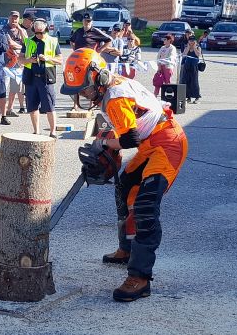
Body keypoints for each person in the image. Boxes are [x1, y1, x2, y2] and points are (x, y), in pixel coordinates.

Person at [60, 48, 188, 302]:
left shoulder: (114, 96)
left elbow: (129, 138)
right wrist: (107, 143)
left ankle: (140, 278)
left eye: (85, 88)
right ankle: (127, 248)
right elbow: (123, 130)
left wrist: (107, 145)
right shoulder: (111, 90)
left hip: (168, 143)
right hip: (150, 142)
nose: (83, 94)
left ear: (98, 77)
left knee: (145, 205)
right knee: (126, 185)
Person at [18, 18, 62, 138]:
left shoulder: (53, 41)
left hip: (46, 78)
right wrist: (28, 60)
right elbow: (20, 58)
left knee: (49, 105)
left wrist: (47, 58)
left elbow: (60, 60)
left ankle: (53, 131)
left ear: (46, 30)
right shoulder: (28, 41)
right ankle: (36, 131)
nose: (39, 35)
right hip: (31, 78)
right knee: (32, 106)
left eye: (41, 32)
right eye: (36, 32)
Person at [69, 13, 112, 110]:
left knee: (91, 82)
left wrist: (99, 51)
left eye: (89, 21)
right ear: (83, 21)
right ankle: (75, 105)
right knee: (77, 82)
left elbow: (109, 40)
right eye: (85, 21)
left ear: (91, 22)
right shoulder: (79, 31)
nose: (87, 22)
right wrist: (75, 50)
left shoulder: (95, 31)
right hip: (79, 61)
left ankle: (91, 105)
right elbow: (71, 40)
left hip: (90, 61)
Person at [0, 10, 27, 116]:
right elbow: (10, 44)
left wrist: (20, 29)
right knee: (4, 86)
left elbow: (28, 43)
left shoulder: (21, 30)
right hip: (7, 62)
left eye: (16, 18)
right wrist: (22, 47)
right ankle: (0, 109)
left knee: (15, 88)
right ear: (9, 17)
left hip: (18, 63)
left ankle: (10, 109)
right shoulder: (3, 30)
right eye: (12, 17)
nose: (14, 19)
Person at [180, 36, 202, 104]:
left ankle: (197, 97)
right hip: (186, 67)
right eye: (190, 40)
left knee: (194, 82)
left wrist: (194, 47)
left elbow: (198, 55)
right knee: (186, 81)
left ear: (195, 41)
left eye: (193, 41)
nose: (191, 42)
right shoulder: (186, 47)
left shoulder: (198, 47)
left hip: (194, 67)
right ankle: (188, 97)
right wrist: (188, 48)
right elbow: (184, 55)